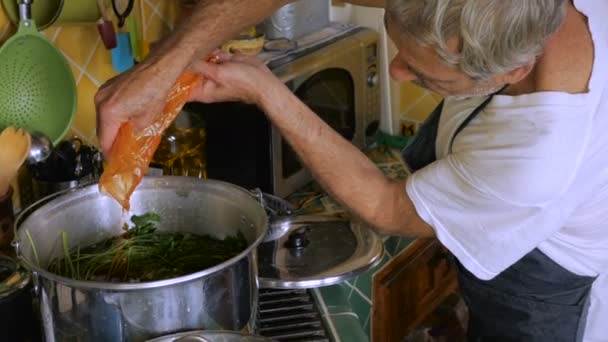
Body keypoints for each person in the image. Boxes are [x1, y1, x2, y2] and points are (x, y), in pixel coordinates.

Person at [96, 0, 607, 340]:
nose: (395, 72)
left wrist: (266, 90)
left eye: (422, 74)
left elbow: (386, 206)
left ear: (510, 73)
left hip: (546, 271)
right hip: (485, 142)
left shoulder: (536, 162)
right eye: (398, 48)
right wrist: (163, 66)